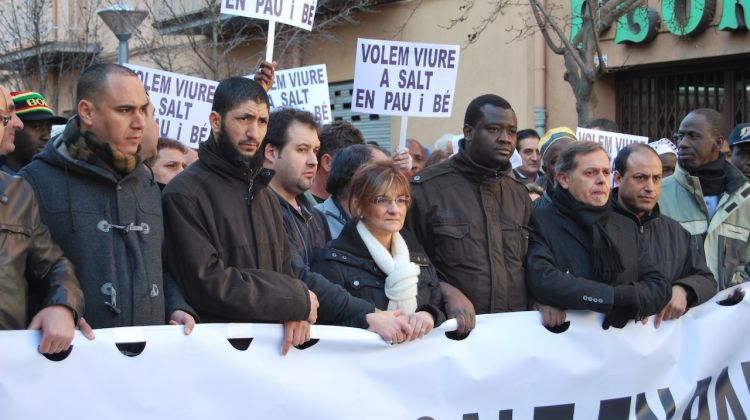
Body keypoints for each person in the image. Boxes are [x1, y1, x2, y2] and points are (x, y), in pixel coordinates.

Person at [19, 63, 196, 332]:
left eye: (143, 110)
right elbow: (19, 278)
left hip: (147, 359)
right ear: (87, 112)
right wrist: (58, 308)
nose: (139, 123)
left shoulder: (146, 181)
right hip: (71, 360)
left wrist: (177, 305)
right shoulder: (33, 182)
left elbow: (162, 264)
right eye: (125, 110)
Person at [162, 77, 318, 355]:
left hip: (271, 354)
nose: (254, 133)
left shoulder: (266, 195)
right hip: (215, 357)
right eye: (244, 119)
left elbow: (286, 271)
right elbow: (208, 283)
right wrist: (293, 299)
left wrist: (294, 308)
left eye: (261, 121)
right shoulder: (184, 193)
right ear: (215, 121)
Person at [261, 108, 407, 338]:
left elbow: (335, 275)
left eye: (315, 151)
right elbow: (299, 277)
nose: (313, 161)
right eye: (302, 150)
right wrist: (369, 312)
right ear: (271, 152)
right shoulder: (259, 212)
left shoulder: (315, 216)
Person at [406, 94, 532, 336]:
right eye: (494, 129)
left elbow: (531, 262)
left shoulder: (519, 195)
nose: (505, 139)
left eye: (512, 131)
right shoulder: (426, 190)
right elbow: (407, 261)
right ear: (469, 132)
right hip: (452, 338)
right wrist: (445, 290)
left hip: (514, 335)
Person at [526, 142, 671, 329]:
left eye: (605, 172)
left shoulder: (626, 224)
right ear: (563, 179)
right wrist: (612, 298)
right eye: (590, 173)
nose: (602, 180)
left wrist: (632, 303)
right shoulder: (540, 220)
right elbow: (545, 280)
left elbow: (659, 286)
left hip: (620, 347)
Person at [312, 162, 445, 343]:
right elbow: (321, 330)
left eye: (401, 200)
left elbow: (440, 305)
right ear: (358, 206)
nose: (394, 210)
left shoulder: (417, 255)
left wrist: (428, 315)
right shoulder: (332, 260)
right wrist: (367, 322)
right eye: (382, 200)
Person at [0, 86, 86, 355]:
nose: (16, 123)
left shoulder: (16, 192)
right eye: (5, 117)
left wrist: (62, 305)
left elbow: (52, 265)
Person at [612, 144, 716, 327]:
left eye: (657, 178)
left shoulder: (674, 231)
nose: (650, 187)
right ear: (618, 178)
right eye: (640, 178)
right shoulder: (594, 226)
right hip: (602, 345)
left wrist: (684, 289)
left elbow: (706, 280)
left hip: (660, 350)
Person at [660, 109, 750, 290]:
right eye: (680, 136)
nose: (683, 144)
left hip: (731, 314)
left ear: (718, 143)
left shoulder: (746, 198)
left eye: (693, 136)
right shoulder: (657, 194)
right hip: (675, 314)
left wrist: (736, 291)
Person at [317, 144, 389, 239]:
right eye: (382, 173)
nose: (390, 180)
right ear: (356, 177)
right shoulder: (314, 222)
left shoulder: (387, 221)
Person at [0, 92, 67, 175]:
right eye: (36, 126)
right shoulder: (4, 182)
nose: (46, 137)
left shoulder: (53, 176)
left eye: (49, 129)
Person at [307, 120, 365, 204]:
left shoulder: (356, 205)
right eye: (354, 165)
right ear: (327, 162)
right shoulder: (297, 205)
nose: (359, 173)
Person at [533, 127, 577, 209]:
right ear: (546, 170)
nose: (566, 165)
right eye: (557, 161)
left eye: (571, 158)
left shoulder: (596, 205)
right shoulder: (534, 212)